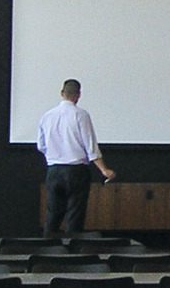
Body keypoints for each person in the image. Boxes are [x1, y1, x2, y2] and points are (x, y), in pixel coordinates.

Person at [36, 78, 115, 238]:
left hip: (54, 170)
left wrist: (55, 155)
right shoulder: (81, 115)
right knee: (75, 215)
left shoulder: (47, 116)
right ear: (78, 95)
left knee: (52, 213)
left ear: (61, 93)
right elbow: (90, 147)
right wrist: (104, 170)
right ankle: (72, 248)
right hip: (76, 171)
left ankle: (48, 246)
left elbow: (41, 146)